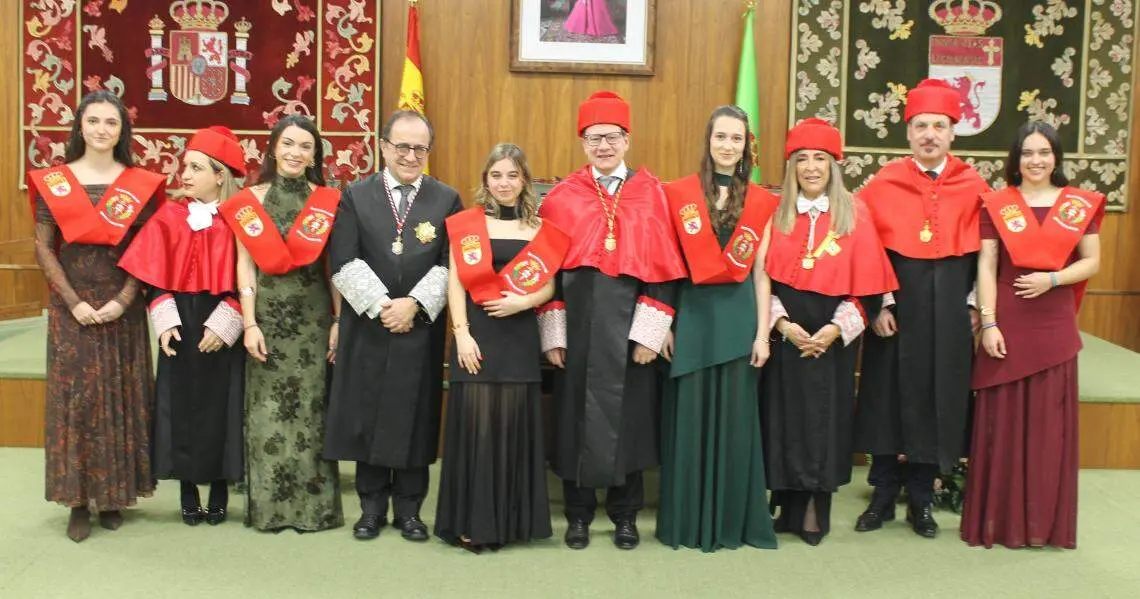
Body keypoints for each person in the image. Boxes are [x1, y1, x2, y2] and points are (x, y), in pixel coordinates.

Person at [538, 90, 686, 550]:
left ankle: (625, 515)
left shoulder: (652, 194)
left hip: (630, 330)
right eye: (594, 138)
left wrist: (650, 333)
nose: (603, 146)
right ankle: (579, 515)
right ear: (583, 143)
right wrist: (552, 336)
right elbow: (547, 275)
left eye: (612, 137)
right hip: (578, 328)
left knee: (632, 421)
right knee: (575, 419)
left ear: (627, 140)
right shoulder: (562, 197)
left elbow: (663, 274)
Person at [28, 90, 166, 542]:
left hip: (119, 307)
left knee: (119, 395)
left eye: (112, 122)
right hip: (73, 308)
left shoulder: (138, 183)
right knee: (77, 401)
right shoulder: (57, 182)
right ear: (80, 127)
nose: (103, 130)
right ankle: (77, 500)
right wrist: (72, 301)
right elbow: (44, 248)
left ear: (122, 131)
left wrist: (124, 301)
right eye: (94, 121)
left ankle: (112, 496)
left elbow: (147, 251)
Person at [854, 78, 990, 538]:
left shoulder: (974, 184)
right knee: (886, 397)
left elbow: (987, 256)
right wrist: (879, 305)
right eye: (920, 126)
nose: (929, 134)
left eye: (938, 126)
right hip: (898, 309)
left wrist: (976, 306)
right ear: (907, 132)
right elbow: (868, 248)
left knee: (940, 398)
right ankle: (883, 494)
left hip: (951, 311)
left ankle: (922, 499)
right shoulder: (884, 182)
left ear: (953, 131)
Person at [962, 122, 1102, 549]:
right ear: (1016, 158)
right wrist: (988, 323)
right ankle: (998, 522)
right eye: (1027, 152)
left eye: (1044, 152)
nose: (1036, 161)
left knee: (1048, 428)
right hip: (1007, 320)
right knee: (999, 424)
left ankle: (1043, 523)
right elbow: (986, 266)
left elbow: (1092, 261)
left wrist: (1054, 279)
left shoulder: (1078, 204)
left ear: (1056, 157)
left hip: (1053, 321)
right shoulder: (997, 204)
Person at [324, 110, 461, 542]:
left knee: (414, 414)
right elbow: (342, 258)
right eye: (401, 146)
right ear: (383, 146)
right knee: (369, 412)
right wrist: (385, 306)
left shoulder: (447, 199)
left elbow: (449, 263)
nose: (410, 155)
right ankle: (370, 507)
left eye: (420, 147)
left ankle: (410, 510)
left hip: (419, 329)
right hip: (369, 323)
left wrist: (415, 305)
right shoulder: (355, 195)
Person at [762, 118, 898, 546]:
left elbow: (870, 289)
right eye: (802, 159)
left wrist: (835, 330)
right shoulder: (775, 212)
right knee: (783, 420)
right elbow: (763, 278)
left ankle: (814, 512)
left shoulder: (855, 214)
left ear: (833, 165)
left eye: (820, 158)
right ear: (792, 167)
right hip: (786, 338)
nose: (811, 167)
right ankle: (784, 507)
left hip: (833, 342)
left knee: (824, 423)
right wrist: (782, 324)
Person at [434, 143, 570, 553]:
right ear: (485, 181)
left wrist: (523, 302)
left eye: (512, 175)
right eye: (496, 175)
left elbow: (549, 284)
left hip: (519, 336)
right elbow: (455, 281)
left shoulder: (539, 231)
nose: (504, 183)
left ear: (524, 180)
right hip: (476, 338)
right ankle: (472, 521)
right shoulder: (465, 224)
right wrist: (461, 334)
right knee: (477, 427)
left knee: (512, 426)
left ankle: (509, 522)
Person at [654, 105, 779, 552]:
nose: (728, 146)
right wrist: (663, 324)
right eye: (721, 137)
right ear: (708, 142)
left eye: (737, 139)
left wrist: (762, 333)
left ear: (747, 146)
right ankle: (688, 522)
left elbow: (762, 272)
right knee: (689, 418)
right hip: (691, 316)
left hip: (738, 318)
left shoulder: (761, 200)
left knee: (735, 421)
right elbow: (667, 267)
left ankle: (730, 521)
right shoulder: (681, 194)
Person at [218, 115, 343, 533]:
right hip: (268, 318)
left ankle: (313, 510)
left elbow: (333, 268)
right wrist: (250, 323)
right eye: (288, 144)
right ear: (273, 148)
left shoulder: (327, 200)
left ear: (314, 155)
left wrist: (338, 320)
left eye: (305, 146)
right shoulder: (248, 200)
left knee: (310, 410)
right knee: (268, 411)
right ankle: (270, 509)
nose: (295, 153)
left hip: (312, 317)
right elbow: (245, 266)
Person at [118, 126, 247, 526]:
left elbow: (249, 278)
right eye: (184, 166)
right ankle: (189, 488)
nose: (184, 175)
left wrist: (228, 320)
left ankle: (221, 487)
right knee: (181, 404)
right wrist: (163, 316)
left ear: (220, 174)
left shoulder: (239, 219)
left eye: (195, 167)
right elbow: (154, 278)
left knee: (222, 405)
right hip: (180, 323)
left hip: (221, 322)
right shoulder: (169, 216)